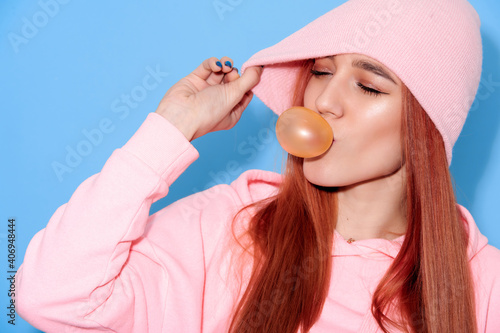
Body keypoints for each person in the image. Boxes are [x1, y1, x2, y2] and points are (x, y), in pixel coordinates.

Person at [15, 0, 500, 332]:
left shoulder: (484, 282)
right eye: (321, 72)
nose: (324, 100)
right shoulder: (225, 229)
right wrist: (169, 129)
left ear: (429, 129)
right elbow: (49, 296)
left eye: (369, 87)